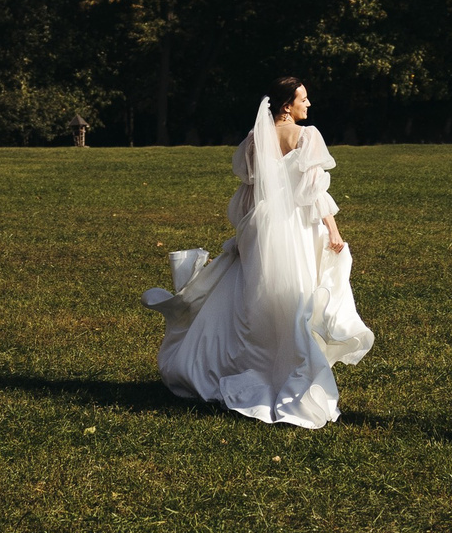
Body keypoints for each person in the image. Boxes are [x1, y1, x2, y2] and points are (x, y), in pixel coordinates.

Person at [142, 79, 375, 428]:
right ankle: (294, 373)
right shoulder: (307, 137)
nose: (309, 105)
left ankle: (249, 364)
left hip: (261, 228)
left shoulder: (255, 140)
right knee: (294, 297)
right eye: (303, 99)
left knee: (254, 296)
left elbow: (246, 198)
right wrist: (334, 230)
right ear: (286, 106)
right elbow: (313, 192)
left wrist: (245, 233)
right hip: (297, 228)